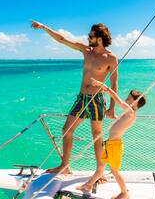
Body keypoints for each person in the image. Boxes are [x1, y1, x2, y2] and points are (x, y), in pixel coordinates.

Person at [31, 21, 118, 176]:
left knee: (96, 136)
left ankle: (100, 172)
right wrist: (44, 27)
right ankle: (64, 166)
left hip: (96, 100)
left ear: (99, 39)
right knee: (66, 130)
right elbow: (62, 39)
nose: (87, 38)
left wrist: (112, 108)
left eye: (90, 35)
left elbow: (114, 83)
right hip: (81, 98)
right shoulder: (86, 51)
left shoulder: (111, 58)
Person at [77, 78, 146, 199]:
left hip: (115, 145)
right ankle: (88, 185)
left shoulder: (130, 111)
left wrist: (104, 87)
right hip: (111, 144)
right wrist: (114, 117)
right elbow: (120, 124)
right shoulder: (129, 114)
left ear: (135, 102)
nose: (127, 99)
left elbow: (118, 101)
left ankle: (124, 193)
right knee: (101, 167)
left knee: (114, 171)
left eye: (129, 98)